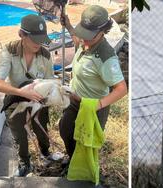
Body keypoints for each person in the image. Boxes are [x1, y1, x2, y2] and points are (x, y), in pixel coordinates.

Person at [59, 5, 127, 162]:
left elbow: (121, 89)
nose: (84, 39)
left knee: (87, 143)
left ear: (102, 33)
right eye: (83, 33)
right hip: (74, 100)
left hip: (94, 106)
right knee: (66, 130)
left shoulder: (106, 57)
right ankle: (72, 159)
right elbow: (77, 39)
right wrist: (68, 25)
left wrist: (97, 105)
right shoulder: (85, 42)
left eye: (89, 35)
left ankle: (86, 174)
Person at [0, 14, 54, 176]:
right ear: (22, 35)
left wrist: (48, 95)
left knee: (42, 129)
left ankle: (45, 152)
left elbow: (50, 81)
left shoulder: (45, 55)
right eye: (35, 39)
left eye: (41, 39)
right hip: (15, 96)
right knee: (20, 135)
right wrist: (21, 92)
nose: (39, 43)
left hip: (38, 98)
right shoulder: (9, 50)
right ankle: (24, 162)